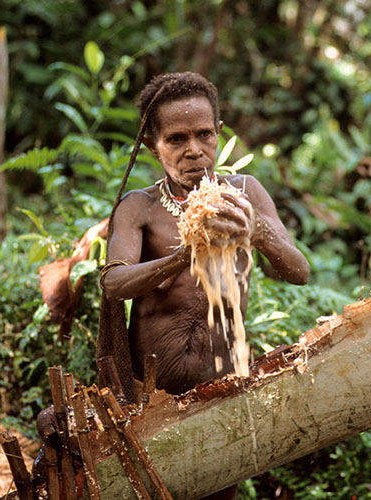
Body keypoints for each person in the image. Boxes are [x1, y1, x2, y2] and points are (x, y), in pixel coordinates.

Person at [98, 72, 309, 499]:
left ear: (218, 134)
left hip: (223, 389)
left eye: (204, 135)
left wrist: (258, 232)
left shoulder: (245, 193)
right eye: (176, 139)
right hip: (153, 395)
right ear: (151, 146)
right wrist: (181, 256)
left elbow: (297, 271)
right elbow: (114, 282)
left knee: (217, 491)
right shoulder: (140, 206)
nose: (194, 150)